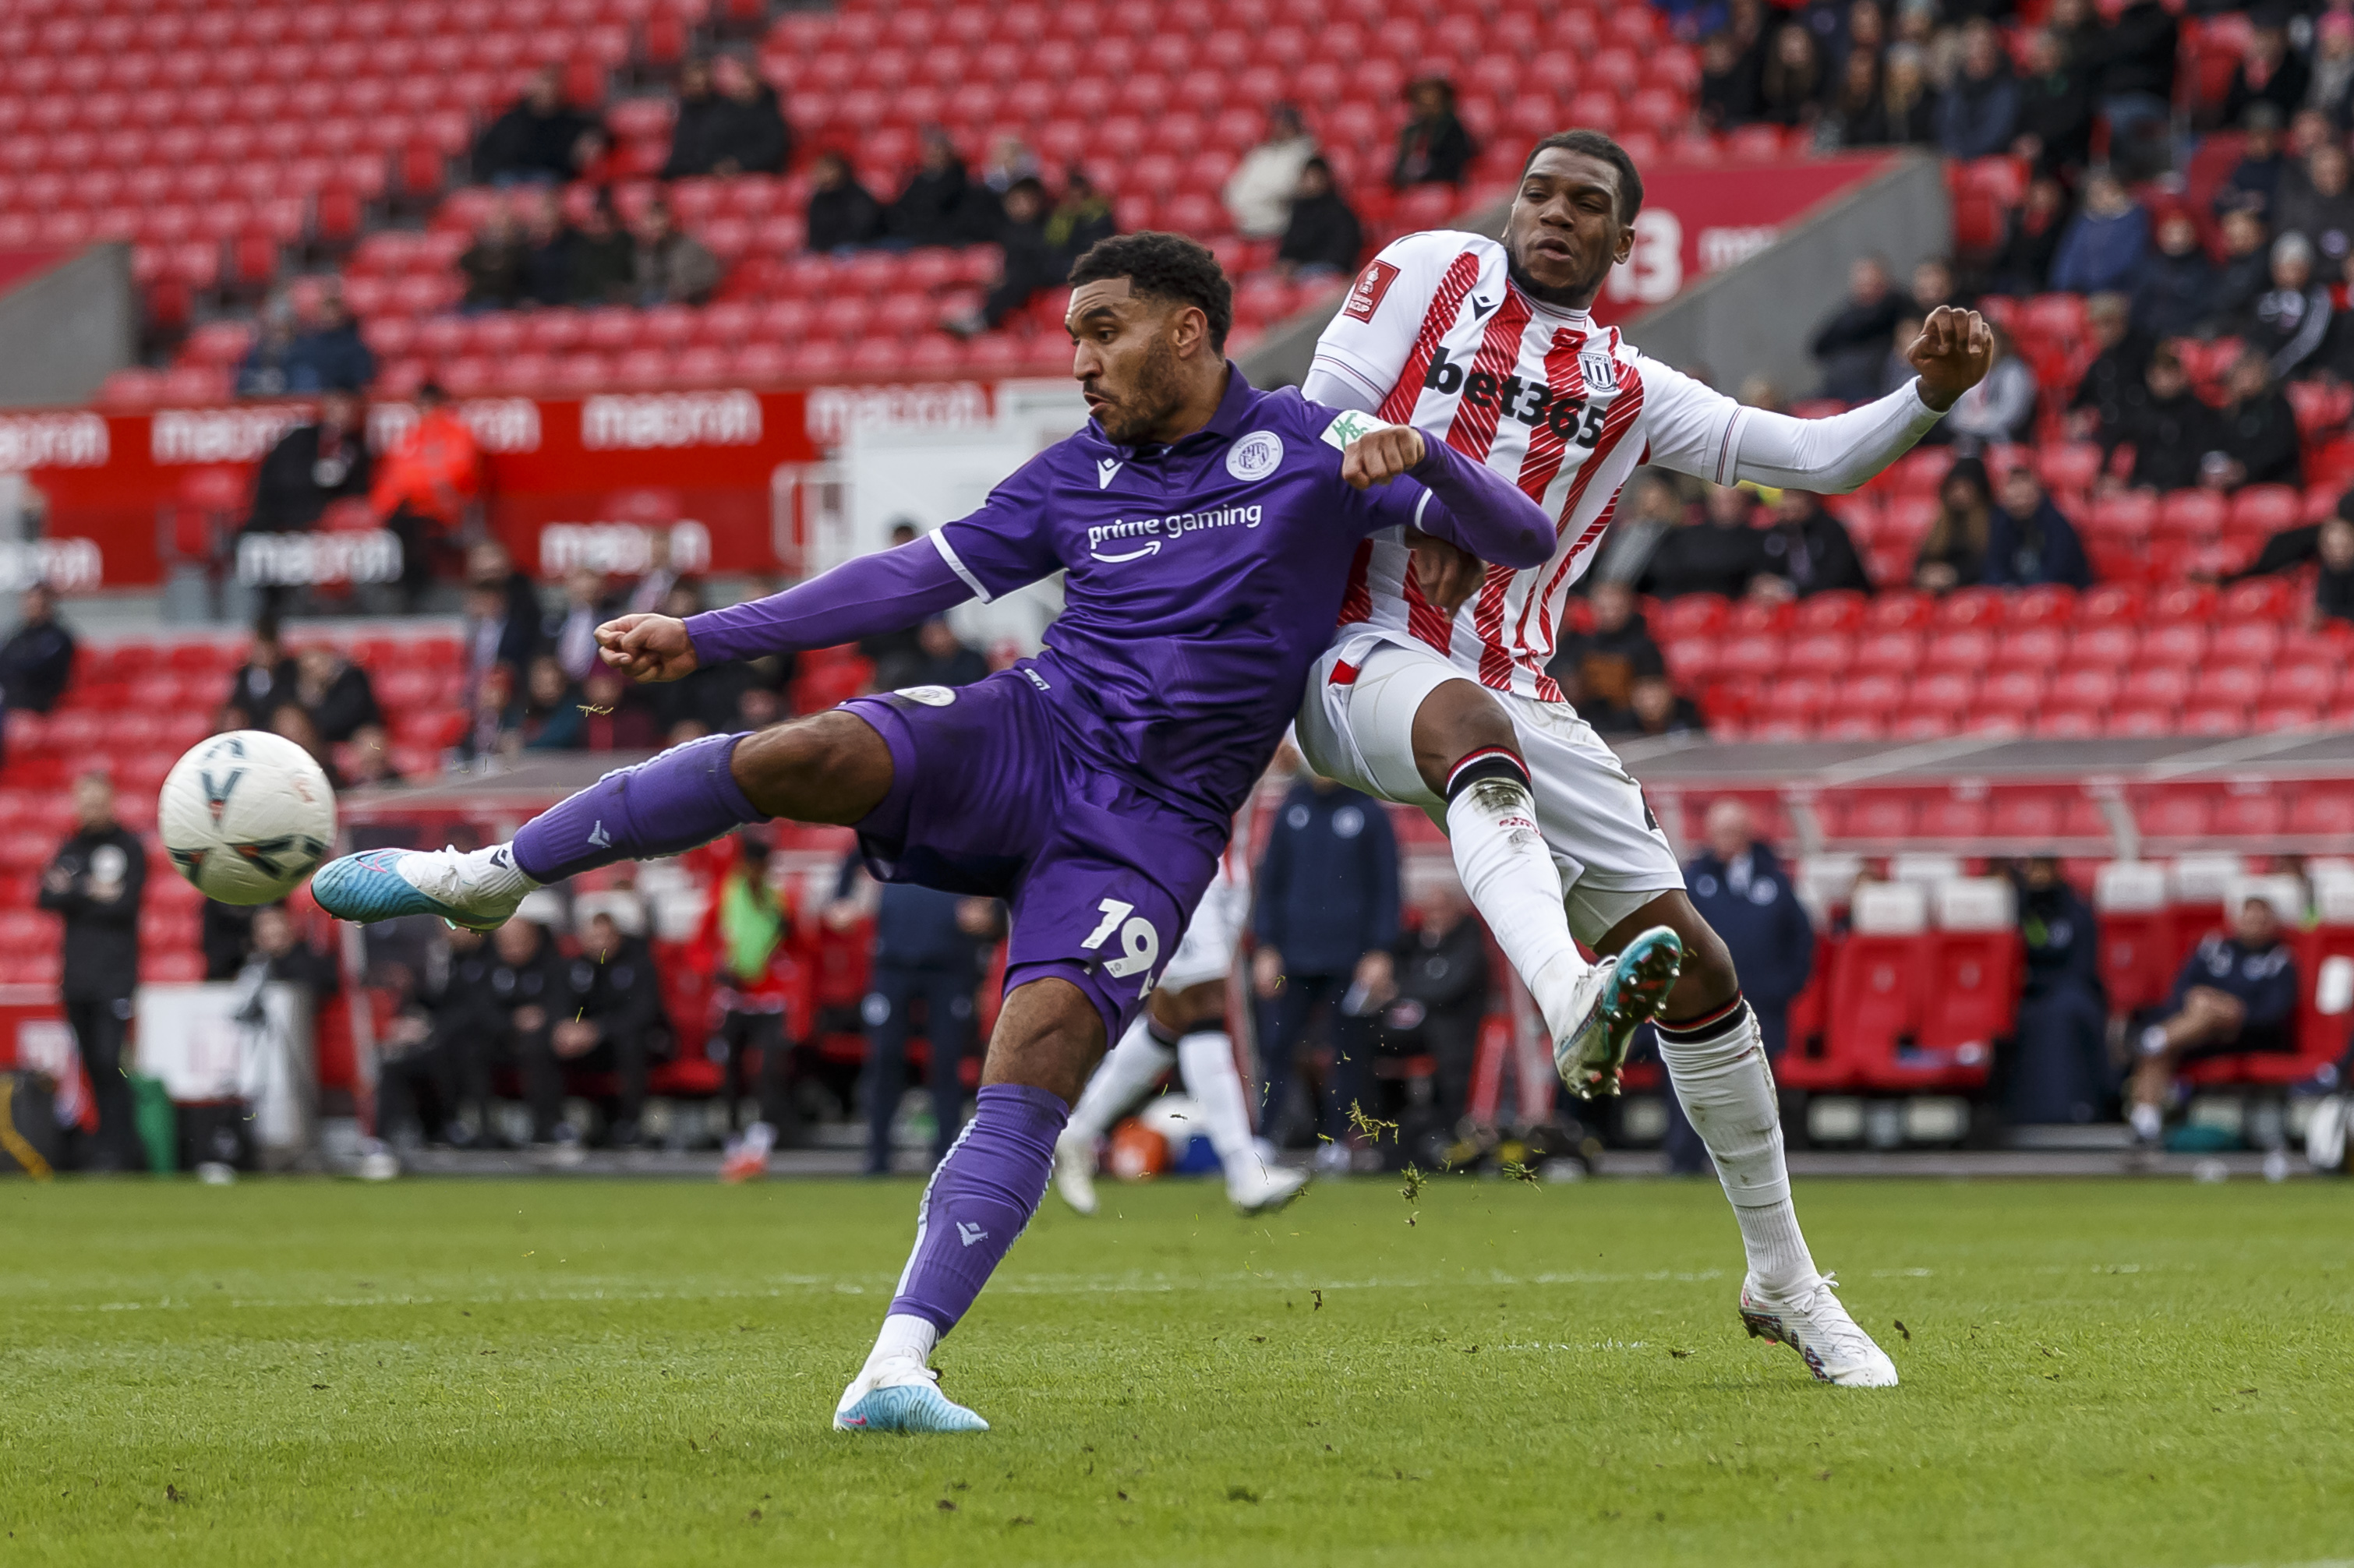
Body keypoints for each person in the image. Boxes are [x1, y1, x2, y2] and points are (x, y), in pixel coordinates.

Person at [307, 229, 1557, 1433]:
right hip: (1030, 732)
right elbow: (900, 582)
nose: (1078, 361)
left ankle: (894, 1366)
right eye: (1072, 336)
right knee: (808, 750)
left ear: (1190, 333)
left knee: (1042, 1056)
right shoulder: (1076, 472)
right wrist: (706, 635)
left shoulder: (1313, 448)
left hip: (1154, 826)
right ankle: (485, 875)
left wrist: (1430, 468)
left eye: (1101, 333)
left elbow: (1525, 541)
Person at [1294, 129, 1993, 1388]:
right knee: (1463, 726)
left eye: (1588, 206)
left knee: (1701, 967)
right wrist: (1424, 502)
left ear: (1626, 244)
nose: (1554, 215)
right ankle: (1568, 995)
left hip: (1516, 684)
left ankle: (1783, 1277)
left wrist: (1929, 395)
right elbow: (1311, 420)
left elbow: (1820, 460)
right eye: (1539, 192)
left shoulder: (1627, 383)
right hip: (1356, 644)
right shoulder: (1429, 273)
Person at [1055, 787, 1310, 1215]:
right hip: (1178, 869)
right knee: (1205, 1007)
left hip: (1229, 869)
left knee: (1171, 1020)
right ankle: (1242, 1167)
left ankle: (1078, 1132)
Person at [1250, 764, 1399, 1166]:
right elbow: (1270, 884)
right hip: (1292, 955)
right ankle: (1264, 1139)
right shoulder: (1291, 809)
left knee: (1345, 1053)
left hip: (1349, 958)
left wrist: (1380, 950)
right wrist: (1265, 946)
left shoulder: (1368, 812)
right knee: (1277, 1049)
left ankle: (1336, 1143)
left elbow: (1387, 885)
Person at [1663, 800, 1811, 1175]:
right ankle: (1685, 1162)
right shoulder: (1692, 881)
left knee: (1759, 1090)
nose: (1724, 841)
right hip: (1702, 1007)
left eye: (1731, 832)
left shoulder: (1774, 881)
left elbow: (1801, 941)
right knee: (1695, 1084)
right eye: (1718, 832)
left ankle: (1761, 1167)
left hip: (1762, 1008)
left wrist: (1782, 988)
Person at [847, 860, 993, 1178]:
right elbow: (842, 905)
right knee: (884, 1058)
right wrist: (859, 901)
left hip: (950, 966)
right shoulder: (880, 837)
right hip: (893, 963)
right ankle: (878, 1156)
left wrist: (987, 914)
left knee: (946, 1061)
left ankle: (945, 1155)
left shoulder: (967, 842)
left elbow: (991, 911)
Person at [37, 772, 145, 1171]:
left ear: (111, 802)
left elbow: (125, 904)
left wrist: (73, 891)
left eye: (98, 802)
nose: (91, 809)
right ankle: (106, 1147)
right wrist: (91, 890)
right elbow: (46, 896)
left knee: (109, 1060)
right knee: (90, 1065)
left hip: (115, 976)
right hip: (76, 977)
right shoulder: (69, 846)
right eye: (85, 802)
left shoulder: (129, 846)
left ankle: (123, 1149)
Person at [2129, 894, 2299, 1144]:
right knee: (2186, 1024)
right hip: (2198, 1034)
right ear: (2237, 920)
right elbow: (2183, 989)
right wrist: (2204, 1001)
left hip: (2246, 1034)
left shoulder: (2280, 960)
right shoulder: (2213, 947)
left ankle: (2155, 1038)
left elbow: (2273, 1013)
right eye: (2249, 919)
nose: (2254, 926)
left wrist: (2227, 1007)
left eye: (2261, 921)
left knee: (2203, 1014)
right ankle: (2146, 1121)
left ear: (2271, 925)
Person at [705, 832, 807, 1181]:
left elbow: (799, 945)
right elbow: (702, 945)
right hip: (734, 999)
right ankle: (734, 1144)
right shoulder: (724, 897)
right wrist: (714, 968)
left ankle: (759, 1144)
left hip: (770, 999)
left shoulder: (780, 900)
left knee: (768, 1073)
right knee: (731, 1072)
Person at [1375, 882, 1490, 1151]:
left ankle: (1449, 1132)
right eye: (1429, 910)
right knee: (1366, 1041)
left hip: (1455, 1030)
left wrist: (1403, 992)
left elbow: (1448, 988)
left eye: (1441, 909)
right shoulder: (1413, 943)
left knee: (1446, 1045)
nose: (1434, 916)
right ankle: (1380, 1129)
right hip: (1410, 1029)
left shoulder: (1469, 944)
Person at [2004, 857, 2108, 1127]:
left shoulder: (2076, 910)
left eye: (2041, 869)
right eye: (2031, 869)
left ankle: (2076, 1106)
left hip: (2069, 990)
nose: (2036, 876)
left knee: (2068, 1010)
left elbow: (2084, 966)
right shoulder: (2016, 908)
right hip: (2026, 994)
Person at [370, 383, 482, 610]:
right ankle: (407, 592)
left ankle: (414, 594)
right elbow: (393, 477)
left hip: (445, 510)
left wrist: (418, 488)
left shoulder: (457, 433)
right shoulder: (410, 437)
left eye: (430, 404)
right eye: (421, 405)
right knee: (399, 523)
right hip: (411, 509)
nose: (426, 410)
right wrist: (382, 508)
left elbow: (459, 474)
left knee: (410, 526)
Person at [560, 909, 667, 1147]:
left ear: (617, 937)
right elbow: (567, 1007)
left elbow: (642, 1013)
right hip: (589, 1048)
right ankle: (555, 1127)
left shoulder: (638, 965)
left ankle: (628, 1125)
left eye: (605, 937)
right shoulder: (577, 969)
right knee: (547, 1041)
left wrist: (598, 1030)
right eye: (594, 938)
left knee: (631, 1043)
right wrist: (569, 1028)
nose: (600, 944)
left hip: (628, 1044)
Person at [485, 910, 581, 1152]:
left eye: (518, 940)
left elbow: (564, 1006)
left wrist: (545, 1019)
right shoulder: (491, 969)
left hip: (543, 1043)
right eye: (506, 942)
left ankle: (548, 1127)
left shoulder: (553, 966)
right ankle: (482, 1131)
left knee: (538, 1048)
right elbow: (481, 1010)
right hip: (499, 1041)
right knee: (468, 1049)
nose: (512, 947)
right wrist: (512, 1021)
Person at [246, 390, 372, 535]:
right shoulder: (300, 439)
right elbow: (279, 480)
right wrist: (315, 474)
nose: (342, 413)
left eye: (348, 408)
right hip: (282, 519)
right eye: (337, 406)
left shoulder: (356, 448)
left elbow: (357, 492)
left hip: (328, 526)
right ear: (325, 408)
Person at [1549, 580, 1665, 716]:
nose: (1611, 615)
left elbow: (1653, 694)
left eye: (1616, 608)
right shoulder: (1580, 644)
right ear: (1592, 607)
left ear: (1628, 606)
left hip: (1630, 722)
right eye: (1604, 608)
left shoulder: (1645, 647)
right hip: (1587, 718)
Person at [1638, 482, 1773, 599]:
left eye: (1731, 500)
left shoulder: (1758, 538)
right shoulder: (1688, 535)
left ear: (1743, 502)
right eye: (1719, 500)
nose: (1725, 506)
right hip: (1684, 606)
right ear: (1710, 502)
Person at [1810, 256, 1913, 404]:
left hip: (1878, 387)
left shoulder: (1898, 307)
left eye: (1872, 283)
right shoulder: (1848, 313)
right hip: (1837, 388)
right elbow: (1817, 346)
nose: (1866, 289)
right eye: (1862, 284)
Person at [2117, 346, 2218, 493]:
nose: (2163, 380)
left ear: (2183, 374)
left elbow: (2196, 460)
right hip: (2143, 488)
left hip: (2183, 490)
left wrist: (2163, 489)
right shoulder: (2140, 409)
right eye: (2158, 373)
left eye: (2169, 372)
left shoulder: (2198, 412)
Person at [472, 66, 596, 185]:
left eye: (550, 86)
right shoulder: (514, 118)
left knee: (544, 190)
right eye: (543, 86)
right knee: (502, 187)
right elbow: (488, 148)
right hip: (511, 176)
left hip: (548, 176)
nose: (546, 91)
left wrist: (592, 140)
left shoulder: (568, 120)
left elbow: (595, 131)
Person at [2242, 231, 2333, 382]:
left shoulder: (2318, 298)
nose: (2291, 272)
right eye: (2285, 265)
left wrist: (2272, 370)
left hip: (2297, 375)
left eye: (2297, 265)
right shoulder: (2266, 299)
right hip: (2258, 371)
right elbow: (2252, 334)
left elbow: (2308, 341)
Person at [0, 584, 77, 759]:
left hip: (42, 703)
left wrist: (15, 667)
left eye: (36, 602)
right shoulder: (16, 635)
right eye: (28, 602)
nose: (31, 606)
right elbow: (4, 662)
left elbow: (36, 668)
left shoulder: (58, 637)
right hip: (11, 700)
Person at [1983, 464, 2091, 588]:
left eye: (2024, 493)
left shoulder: (2058, 524)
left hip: (2058, 595)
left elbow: (2060, 573)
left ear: (2037, 491)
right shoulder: (2000, 522)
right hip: (2017, 597)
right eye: (2015, 494)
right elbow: (1994, 568)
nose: (2020, 499)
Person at [2066, 292, 2151, 443]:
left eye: (2106, 323)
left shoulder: (2145, 352)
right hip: (2110, 438)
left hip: (2144, 436)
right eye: (2095, 325)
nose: (2100, 331)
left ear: (2122, 322)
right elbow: (2081, 399)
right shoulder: (2100, 362)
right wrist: (2077, 417)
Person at [1223, 104, 1317, 240]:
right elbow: (1234, 187)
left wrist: (1255, 194)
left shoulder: (1305, 154)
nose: (1279, 129)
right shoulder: (1262, 153)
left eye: (1285, 125)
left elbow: (1286, 188)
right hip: (1245, 222)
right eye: (1277, 125)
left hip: (1280, 225)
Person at [2048, 169, 2149, 297]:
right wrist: (2062, 288)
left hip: (2117, 292)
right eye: (2094, 193)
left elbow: (2130, 259)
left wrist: (2099, 287)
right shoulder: (2083, 221)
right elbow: (2068, 258)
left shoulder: (2133, 219)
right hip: (2079, 292)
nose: (2099, 197)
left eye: (2105, 191)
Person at [2213, 351, 2303, 490]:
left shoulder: (2277, 405)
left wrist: (2246, 468)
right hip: (2236, 486)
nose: (2246, 379)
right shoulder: (2230, 412)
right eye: (2241, 374)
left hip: (2276, 481)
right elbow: (2221, 446)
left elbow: (2281, 446)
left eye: (2250, 373)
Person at [1939, 322, 2037, 448]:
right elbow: (1952, 413)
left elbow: (2013, 414)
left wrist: (1981, 420)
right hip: (1968, 437)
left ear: (2000, 343)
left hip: (2006, 439)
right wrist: (1969, 422)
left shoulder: (2013, 371)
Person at [1758, 487, 1872, 595]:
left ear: (1809, 499)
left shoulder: (1831, 529)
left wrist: (1792, 590)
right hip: (1795, 603)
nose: (1787, 503)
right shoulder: (1777, 533)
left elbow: (1836, 577)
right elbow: (1766, 570)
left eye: (1794, 496)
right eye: (1785, 496)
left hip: (1839, 599)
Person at [2009, 30, 2091, 179]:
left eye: (2052, 52)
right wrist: (2020, 140)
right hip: (2033, 149)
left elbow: (2076, 119)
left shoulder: (2075, 82)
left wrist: (2042, 140)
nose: (2047, 57)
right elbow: (2018, 118)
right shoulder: (2027, 85)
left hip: (2066, 149)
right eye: (2043, 52)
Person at [1935, 18, 2017, 161]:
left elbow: (1995, 134)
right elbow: (1945, 128)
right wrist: (1955, 152)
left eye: (1983, 44)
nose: (1978, 50)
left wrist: (1965, 156)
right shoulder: (1954, 89)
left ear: (1993, 48)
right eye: (1971, 44)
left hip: (1990, 164)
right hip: (1956, 164)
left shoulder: (2006, 88)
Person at [1913, 456, 1994, 593]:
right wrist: (1926, 574)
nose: (1959, 493)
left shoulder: (1992, 520)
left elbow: (1991, 564)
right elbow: (1922, 561)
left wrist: (1955, 575)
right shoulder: (1941, 523)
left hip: (1974, 593)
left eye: (1965, 487)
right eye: (1954, 487)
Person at [889, 126, 981, 247]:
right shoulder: (918, 180)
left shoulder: (960, 182)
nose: (933, 156)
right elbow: (904, 209)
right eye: (930, 152)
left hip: (946, 240)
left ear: (948, 153)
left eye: (938, 151)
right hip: (914, 237)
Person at [1277, 157, 1363, 278]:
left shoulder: (1339, 211)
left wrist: (1304, 266)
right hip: (1299, 271)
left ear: (1325, 179)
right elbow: (1290, 245)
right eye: (1306, 177)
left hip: (1326, 269)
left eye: (1314, 177)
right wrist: (1286, 261)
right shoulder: (1299, 209)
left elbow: (1342, 251)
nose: (1309, 182)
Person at [707, 53, 791, 177]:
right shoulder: (722, 112)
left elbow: (773, 149)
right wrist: (718, 164)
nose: (743, 86)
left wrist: (740, 164)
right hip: (724, 174)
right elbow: (710, 143)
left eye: (748, 80)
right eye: (740, 80)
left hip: (761, 173)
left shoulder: (769, 112)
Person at [2277, 143, 2354, 273]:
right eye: (2325, 173)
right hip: (2309, 282)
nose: (2332, 179)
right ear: (2313, 174)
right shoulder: (2297, 206)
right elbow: (2286, 242)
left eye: (2338, 172)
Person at [629, 201, 721, 308]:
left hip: (688, 303)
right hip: (651, 302)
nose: (654, 234)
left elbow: (712, 274)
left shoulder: (689, 247)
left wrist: (687, 287)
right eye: (650, 230)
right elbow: (642, 281)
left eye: (658, 229)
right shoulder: (642, 250)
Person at [1991, 175, 2071, 295]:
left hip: (2040, 280)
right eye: (2036, 194)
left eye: (2043, 194)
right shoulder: (2020, 222)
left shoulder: (2061, 225)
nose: (2039, 198)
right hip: (2012, 277)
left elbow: (2054, 259)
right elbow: (2008, 254)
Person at [1391, 77, 1473, 188]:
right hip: (1410, 190)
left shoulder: (1454, 129)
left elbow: (1455, 165)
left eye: (1431, 99)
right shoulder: (1411, 132)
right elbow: (1399, 168)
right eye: (1419, 99)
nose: (1425, 103)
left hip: (1443, 187)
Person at [873, 616, 987, 694]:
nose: (930, 639)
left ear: (950, 632)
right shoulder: (919, 663)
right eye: (926, 634)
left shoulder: (973, 660)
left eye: (936, 633)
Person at [293, 644, 381, 744]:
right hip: (318, 742)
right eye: (308, 670)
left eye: (319, 664)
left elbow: (338, 719)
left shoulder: (353, 680)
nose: (315, 672)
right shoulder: (298, 687)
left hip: (352, 739)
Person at [223, 616, 297, 729]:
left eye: (267, 648)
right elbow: (238, 705)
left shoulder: (290, 672)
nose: (262, 654)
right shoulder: (242, 674)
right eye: (259, 647)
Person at [2217, 105, 2288, 223]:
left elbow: (2283, 206)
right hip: (2239, 221)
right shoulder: (2242, 167)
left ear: (2274, 138)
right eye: (2252, 136)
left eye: (2261, 136)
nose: (2255, 142)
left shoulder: (2284, 167)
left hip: (2267, 226)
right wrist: (2247, 203)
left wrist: (2253, 206)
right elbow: (2218, 204)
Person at [804, 150, 885, 253]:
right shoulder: (818, 199)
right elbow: (815, 235)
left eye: (826, 169)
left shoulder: (857, 196)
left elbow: (862, 231)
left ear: (839, 170)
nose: (820, 174)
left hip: (857, 247)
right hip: (829, 249)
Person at [660, 58, 727, 179]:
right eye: (693, 84)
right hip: (684, 172)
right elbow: (681, 150)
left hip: (712, 174)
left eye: (701, 83)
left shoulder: (724, 109)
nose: (697, 88)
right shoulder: (682, 109)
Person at [567, 192, 636, 305]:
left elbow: (635, 278)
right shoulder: (579, 246)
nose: (598, 227)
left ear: (613, 223)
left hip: (623, 301)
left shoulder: (626, 244)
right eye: (594, 222)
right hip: (587, 302)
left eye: (602, 222)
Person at [548, 566, 611, 683]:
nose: (584, 595)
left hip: (593, 686)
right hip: (559, 686)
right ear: (569, 588)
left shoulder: (610, 623)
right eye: (580, 592)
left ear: (601, 591)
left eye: (590, 592)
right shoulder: (553, 619)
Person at [1756, 23, 1823, 130]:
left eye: (1796, 40)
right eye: (1787, 41)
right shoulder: (1764, 74)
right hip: (1776, 132)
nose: (1792, 47)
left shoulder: (1822, 72)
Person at [458, 208, 525, 312]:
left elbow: (510, 275)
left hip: (504, 302)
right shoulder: (478, 251)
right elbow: (462, 263)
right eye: (493, 227)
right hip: (475, 300)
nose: (496, 232)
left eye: (501, 227)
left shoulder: (517, 252)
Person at [2317, 513, 2354, 627]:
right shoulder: (2326, 573)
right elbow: (2325, 609)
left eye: (2343, 546)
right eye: (2332, 547)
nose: (2338, 553)